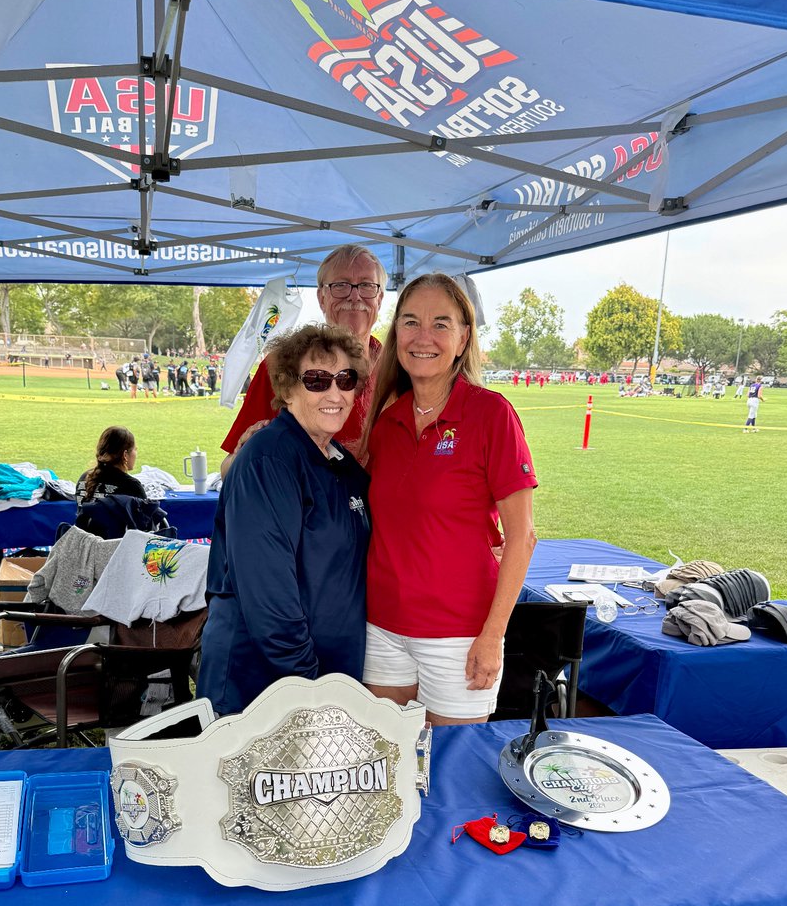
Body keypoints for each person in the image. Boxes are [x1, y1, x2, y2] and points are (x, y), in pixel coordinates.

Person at [360, 273, 538, 727]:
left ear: (463, 339)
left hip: (459, 634)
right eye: (410, 322)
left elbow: (522, 537)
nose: (423, 337)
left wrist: (492, 636)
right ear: (395, 332)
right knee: (388, 772)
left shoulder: (491, 414)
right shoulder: (387, 423)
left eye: (441, 324)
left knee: (451, 776)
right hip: (382, 627)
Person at [197, 324, 370, 717]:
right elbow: (268, 595)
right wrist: (309, 689)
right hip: (264, 687)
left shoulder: (341, 463)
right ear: (288, 388)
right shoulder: (268, 461)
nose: (334, 393)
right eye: (316, 380)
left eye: (345, 379)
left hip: (326, 682)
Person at [219, 243, 387, 476]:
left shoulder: (399, 368)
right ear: (321, 297)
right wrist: (245, 456)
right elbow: (228, 470)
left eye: (367, 285)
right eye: (341, 286)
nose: (355, 295)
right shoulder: (282, 365)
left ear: (379, 298)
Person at [75, 426, 147, 505]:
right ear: (125, 455)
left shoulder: (84, 477)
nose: (136, 453)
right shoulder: (132, 486)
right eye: (135, 449)